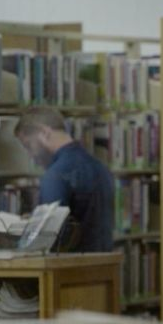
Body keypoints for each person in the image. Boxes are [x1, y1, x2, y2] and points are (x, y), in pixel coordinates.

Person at [14, 107, 114, 252]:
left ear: (44, 133)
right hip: (103, 262)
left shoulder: (56, 175)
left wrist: (28, 231)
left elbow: (46, 241)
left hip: (70, 264)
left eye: (29, 146)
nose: (31, 155)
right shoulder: (101, 168)